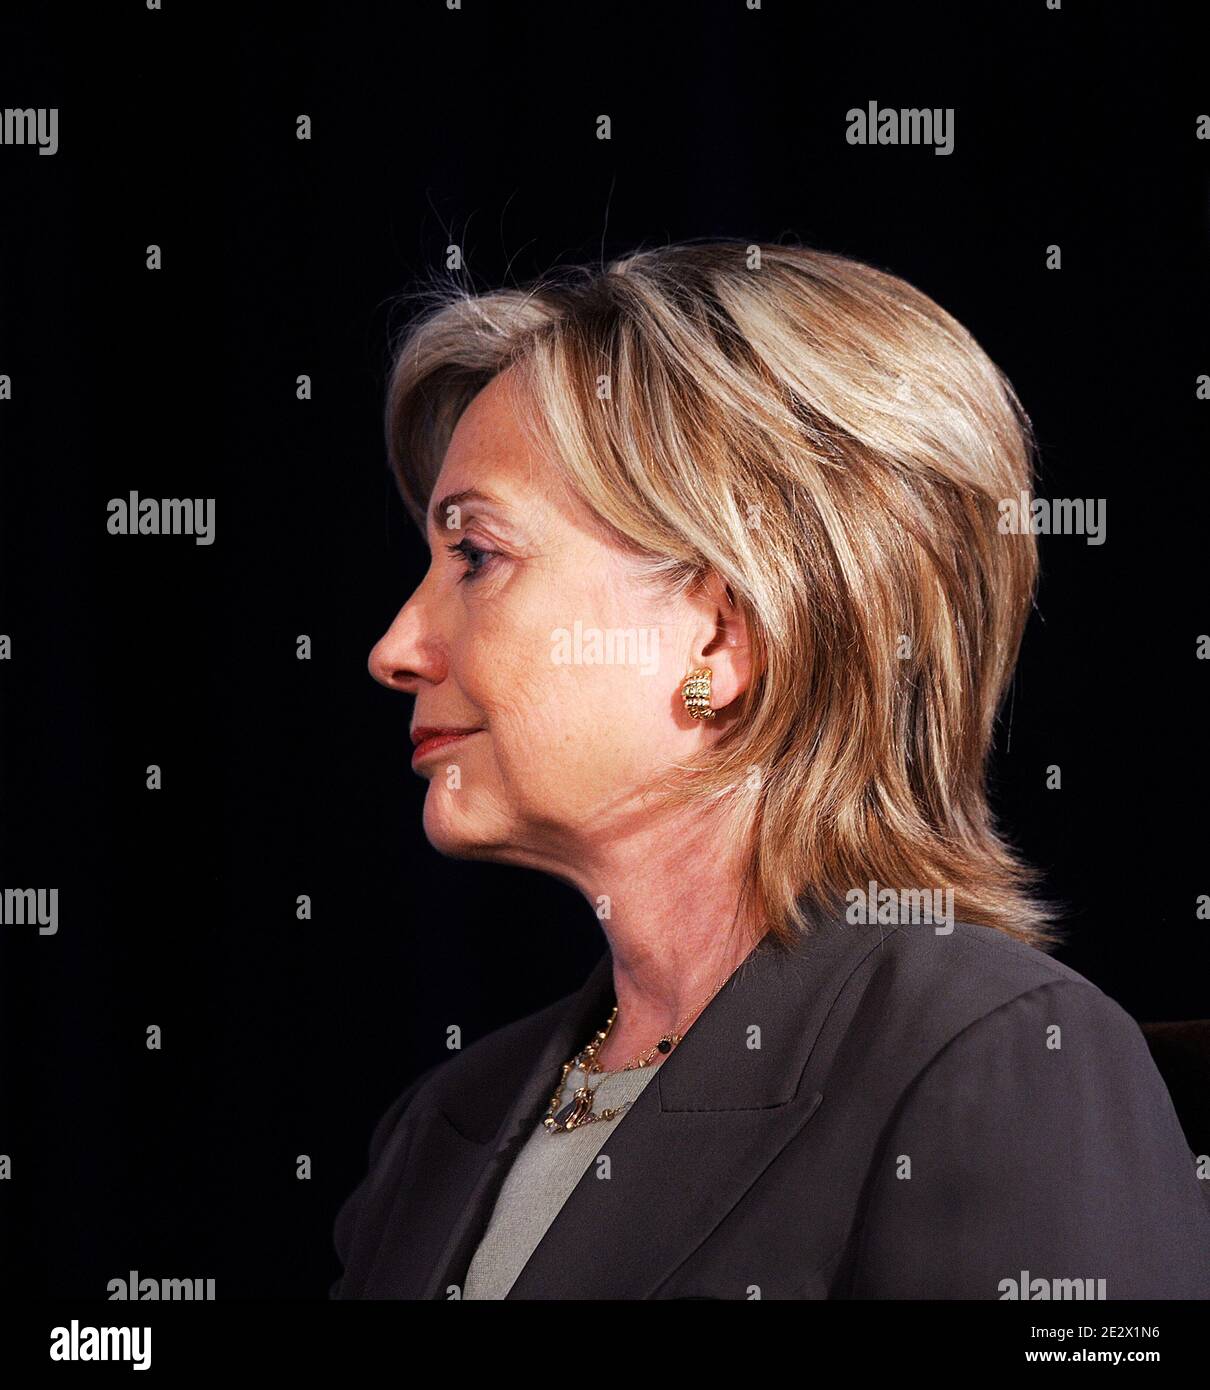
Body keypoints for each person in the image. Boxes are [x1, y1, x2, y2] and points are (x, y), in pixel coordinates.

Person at [330, 241, 1210, 1299]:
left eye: (476, 556)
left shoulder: (1001, 1057)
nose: (396, 646)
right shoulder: (441, 1126)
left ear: (723, 635)